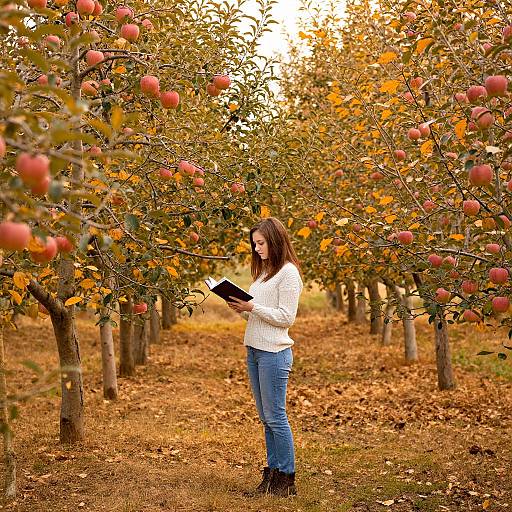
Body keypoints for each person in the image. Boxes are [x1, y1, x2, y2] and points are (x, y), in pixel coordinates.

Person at [227, 217, 303, 497]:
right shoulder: (265, 273)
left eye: (261, 243)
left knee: (276, 417)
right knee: (266, 418)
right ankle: (272, 475)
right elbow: (259, 310)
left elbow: (286, 318)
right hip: (255, 350)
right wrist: (244, 308)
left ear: (275, 240)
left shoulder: (288, 273)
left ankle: (286, 479)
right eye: (254, 243)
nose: (257, 248)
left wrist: (253, 307)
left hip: (274, 353)